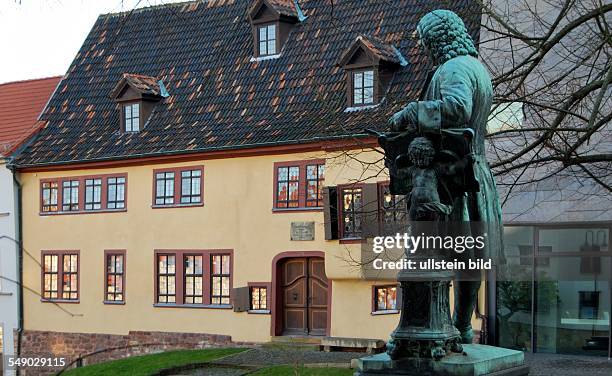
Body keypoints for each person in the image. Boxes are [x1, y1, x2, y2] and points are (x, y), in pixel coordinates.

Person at [388, 9, 504, 344]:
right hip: (474, 171)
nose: (426, 50)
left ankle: (441, 327)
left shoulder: (453, 68)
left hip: (453, 177)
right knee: (470, 257)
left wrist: (412, 112)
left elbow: (456, 108)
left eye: (427, 42)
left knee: (441, 253)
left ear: (440, 38)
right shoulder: (477, 69)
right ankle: (462, 325)